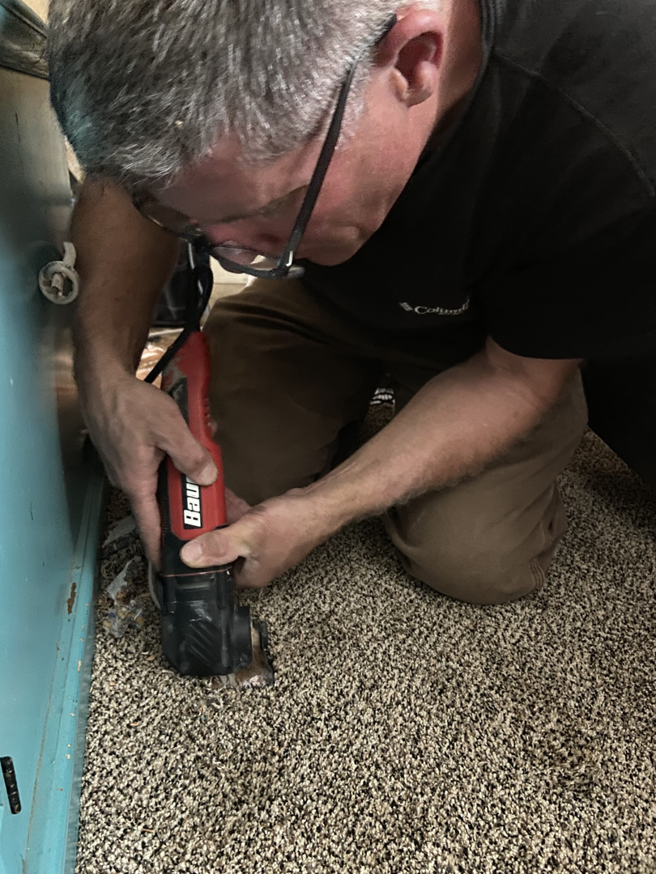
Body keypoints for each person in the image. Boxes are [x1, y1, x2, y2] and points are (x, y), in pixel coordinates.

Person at [47, 0, 656, 602]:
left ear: (413, 63)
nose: (233, 260)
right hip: (319, 305)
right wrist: (104, 376)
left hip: (494, 342)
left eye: (271, 207)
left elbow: (516, 376)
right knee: (231, 494)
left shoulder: (614, 127)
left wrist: (323, 509)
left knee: (471, 560)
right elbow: (126, 178)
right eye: (195, 221)